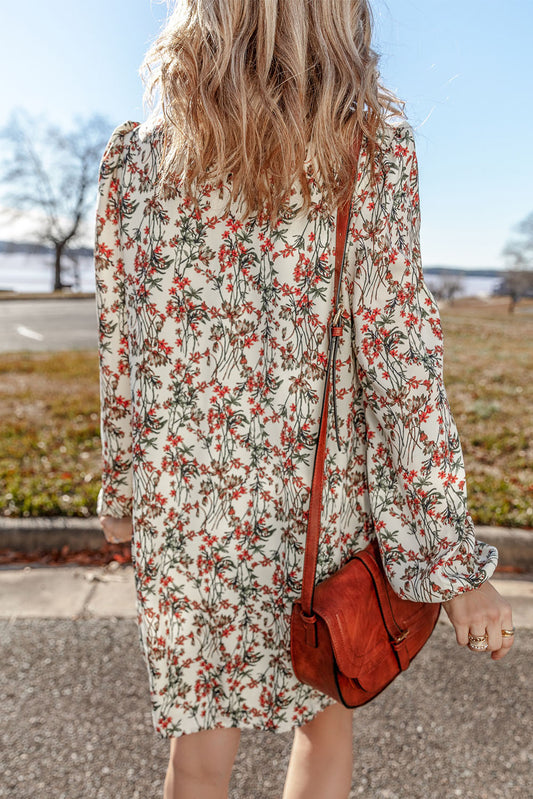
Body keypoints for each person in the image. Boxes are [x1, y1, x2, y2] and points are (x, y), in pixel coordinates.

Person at [94, 2, 515, 797]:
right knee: (324, 721)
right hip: (318, 512)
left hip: (190, 512)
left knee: (198, 750)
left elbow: (127, 354)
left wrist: (122, 491)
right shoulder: (369, 152)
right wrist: (454, 566)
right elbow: (400, 365)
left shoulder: (136, 164)